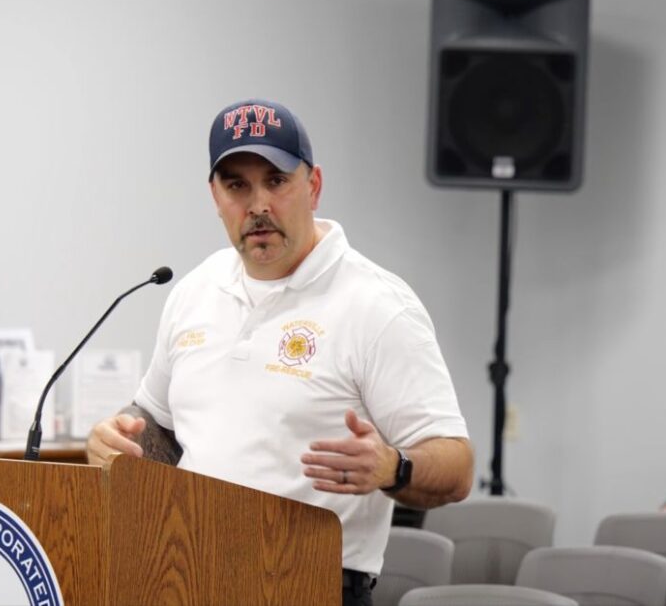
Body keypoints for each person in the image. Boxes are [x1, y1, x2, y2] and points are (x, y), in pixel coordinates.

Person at [86, 98, 474, 606]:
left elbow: (458, 466)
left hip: (309, 582)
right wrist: (120, 439)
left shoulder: (376, 306)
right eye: (237, 186)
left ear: (312, 186)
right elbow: (158, 424)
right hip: (187, 573)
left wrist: (393, 467)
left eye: (276, 180)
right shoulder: (195, 290)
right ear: (215, 196)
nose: (258, 205)